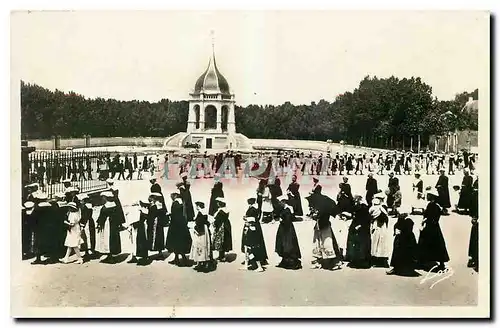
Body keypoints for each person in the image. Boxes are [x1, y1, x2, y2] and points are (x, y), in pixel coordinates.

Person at [417, 188, 450, 271]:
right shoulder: (434, 205)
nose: (427, 196)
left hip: (430, 227)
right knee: (437, 244)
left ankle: (423, 261)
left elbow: (431, 217)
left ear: (432, 197)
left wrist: (424, 221)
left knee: (427, 243)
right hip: (434, 227)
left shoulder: (432, 205)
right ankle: (438, 262)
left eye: (428, 195)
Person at [310, 195, 343, 271]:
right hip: (319, 228)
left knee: (327, 244)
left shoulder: (325, 210)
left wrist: (316, 216)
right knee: (318, 244)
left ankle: (333, 262)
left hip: (325, 228)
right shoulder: (320, 209)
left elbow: (322, 218)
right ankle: (319, 261)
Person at [387, 209, 418, 276]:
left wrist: (400, 231)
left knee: (405, 253)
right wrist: (395, 230)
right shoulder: (401, 219)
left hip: (407, 240)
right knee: (397, 253)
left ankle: (406, 269)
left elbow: (407, 230)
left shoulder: (409, 220)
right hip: (400, 239)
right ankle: (396, 268)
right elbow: (396, 225)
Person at [95, 191, 125, 263]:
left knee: (107, 239)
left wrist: (99, 224)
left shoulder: (105, 207)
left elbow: (102, 217)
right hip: (114, 225)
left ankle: (110, 256)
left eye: (103, 197)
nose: (102, 199)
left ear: (105, 198)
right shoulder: (115, 205)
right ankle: (113, 254)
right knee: (114, 239)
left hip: (107, 225)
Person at [275, 195, 302, 270]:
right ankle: (285, 261)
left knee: (288, 244)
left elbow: (288, 220)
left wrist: (281, 220)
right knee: (284, 244)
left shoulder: (287, 210)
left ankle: (291, 262)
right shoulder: (284, 209)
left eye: (280, 202)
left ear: (283, 202)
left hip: (287, 229)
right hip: (285, 229)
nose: (279, 203)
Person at [166, 192, 192, 266]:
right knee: (182, 242)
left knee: (176, 242)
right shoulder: (182, 203)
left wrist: (170, 215)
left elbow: (175, 214)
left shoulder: (175, 203)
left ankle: (179, 259)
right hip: (182, 225)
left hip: (175, 225)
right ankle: (180, 258)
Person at [345, 196, 372, 269]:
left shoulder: (364, 209)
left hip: (362, 229)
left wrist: (360, 225)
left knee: (361, 246)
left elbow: (367, 219)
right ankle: (355, 261)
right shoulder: (357, 208)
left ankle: (362, 262)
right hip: (357, 228)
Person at [369, 193, 391, 268]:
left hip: (379, 226)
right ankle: (379, 259)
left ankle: (378, 259)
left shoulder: (380, 207)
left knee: (378, 241)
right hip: (380, 226)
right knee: (378, 241)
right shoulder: (382, 207)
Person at [190, 201, 213, 272]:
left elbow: (200, 223)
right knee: (205, 245)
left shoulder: (200, 213)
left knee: (200, 245)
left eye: (196, 206)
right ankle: (203, 262)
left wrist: (194, 226)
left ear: (198, 206)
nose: (196, 207)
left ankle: (203, 263)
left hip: (201, 231)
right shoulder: (204, 213)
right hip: (205, 230)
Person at [148, 193, 168, 260]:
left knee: (156, 238)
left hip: (155, 224)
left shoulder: (154, 206)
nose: (150, 202)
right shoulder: (158, 205)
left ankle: (160, 253)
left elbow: (152, 216)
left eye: (151, 201)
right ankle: (160, 253)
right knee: (159, 238)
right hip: (158, 224)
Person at [212, 197, 233, 262]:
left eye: (218, 202)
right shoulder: (226, 209)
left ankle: (222, 256)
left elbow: (218, 219)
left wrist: (214, 224)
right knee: (224, 241)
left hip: (221, 226)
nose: (217, 203)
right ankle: (221, 255)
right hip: (226, 225)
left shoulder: (220, 211)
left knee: (220, 241)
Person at [77, 194, 96, 258]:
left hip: (87, 222)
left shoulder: (85, 206)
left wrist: (82, 223)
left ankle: (89, 250)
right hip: (89, 221)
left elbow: (85, 216)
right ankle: (88, 250)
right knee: (87, 236)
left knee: (87, 236)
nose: (80, 201)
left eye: (81, 200)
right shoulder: (87, 205)